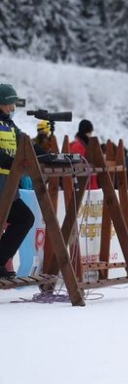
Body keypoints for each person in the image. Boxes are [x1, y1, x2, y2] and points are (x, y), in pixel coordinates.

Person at [0, 84, 37, 279]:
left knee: (24, 219)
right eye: (10, 104)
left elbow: (25, 143)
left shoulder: (9, 125)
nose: (13, 109)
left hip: (7, 188)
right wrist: (13, 161)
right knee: (24, 218)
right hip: (2, 188)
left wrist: (47, 156)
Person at [70, 119, 98, 189]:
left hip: (86, 187)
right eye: (90, 132)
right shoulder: (80, 146)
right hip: (85, 187)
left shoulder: (75, 145)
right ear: (87, 132)